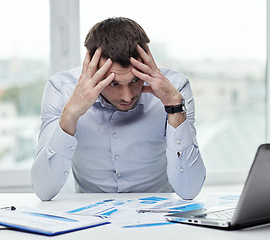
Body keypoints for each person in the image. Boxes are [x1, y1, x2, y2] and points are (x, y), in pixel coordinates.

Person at [31, 17, 206, 201]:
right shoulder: (61, 88)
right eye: (113, 83)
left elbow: (190, 189)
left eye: (135, 80)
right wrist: (71, 114)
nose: (127, 96)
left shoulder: (175, 88)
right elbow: (44, 190)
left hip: (158, 216)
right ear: (92, 69)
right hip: (90, 218)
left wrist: (174, 107)